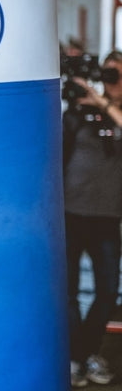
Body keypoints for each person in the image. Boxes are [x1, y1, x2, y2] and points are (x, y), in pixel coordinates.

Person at [64, 51, 122, 388]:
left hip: (106, 220)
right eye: (109, 73)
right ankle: (76, 358)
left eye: (118, 74)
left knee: (107, 292)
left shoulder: (111, 112)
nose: (112, 80)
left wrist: (102, 102)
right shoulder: (76, 115)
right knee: (68, 292)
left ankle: (86, 353)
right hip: (72, 216)